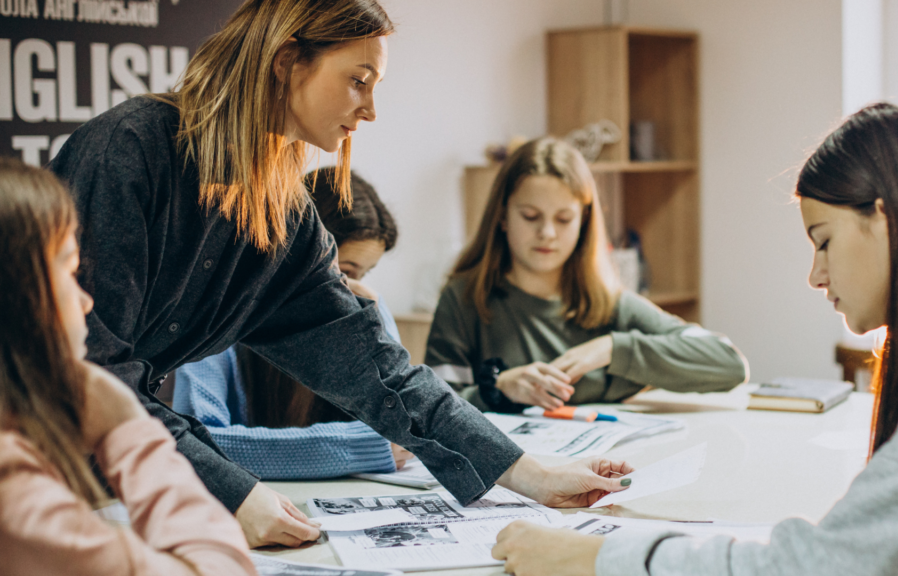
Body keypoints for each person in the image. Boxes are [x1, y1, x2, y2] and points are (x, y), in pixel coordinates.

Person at [47, 0, 632, 550]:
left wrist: (530, 474)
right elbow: (89, 375)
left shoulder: (283, 213)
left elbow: (379, 371)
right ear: (286, 63)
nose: (370, 109)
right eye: (358, 81)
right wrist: (230, 493)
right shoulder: (129, 149)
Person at [491, 104, 898, 575]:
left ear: (884, 221)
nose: (815, 276)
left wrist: (593, 560)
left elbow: (827, 565)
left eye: (824, 242)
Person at [0, 158, 256, 576]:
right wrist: (127, 427)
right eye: (69, 270)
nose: (86, 301)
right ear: (19, 294)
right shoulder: (14, 494)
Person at [425, 137, 747, 412]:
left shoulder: (610, 304)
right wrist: (498, 389)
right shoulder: (464, 299)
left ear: (583, 223)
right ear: (503, 217)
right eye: (530, 216)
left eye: (564, 219)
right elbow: (430, 408)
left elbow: (730, 364)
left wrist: (611, 349)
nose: (547, 233)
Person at [173, 169, 414, 479]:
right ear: (295, 255)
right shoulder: (214, 315)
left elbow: (402, 430)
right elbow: (198, 447)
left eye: (363, 275)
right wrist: (363, 449)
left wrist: (373, 331)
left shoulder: (369, 308)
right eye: (345, 271)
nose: (353, 289)